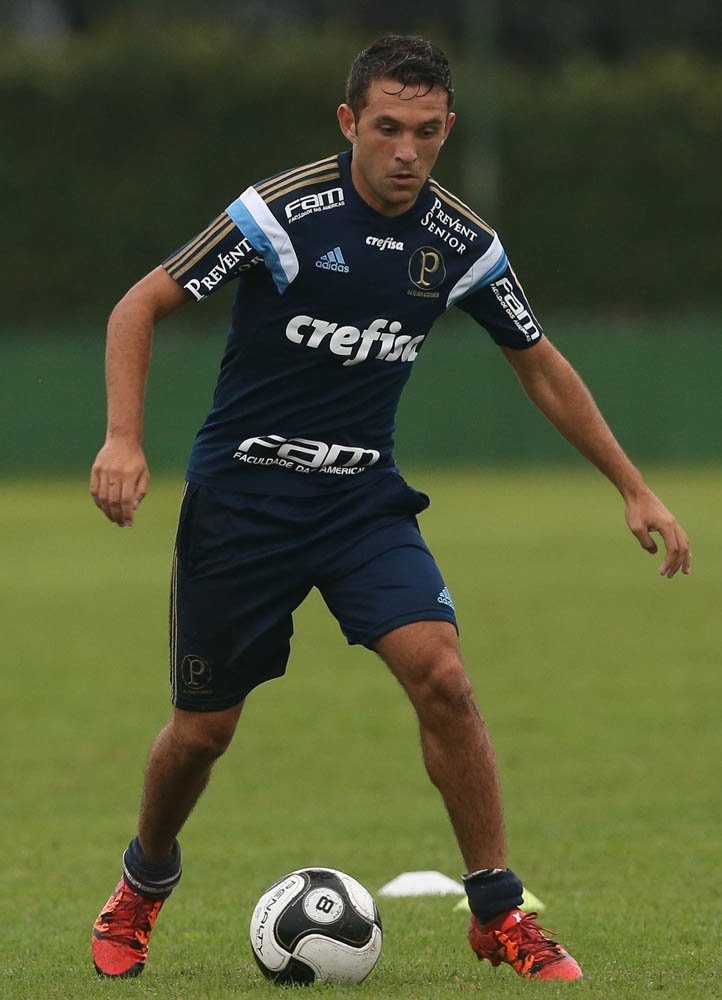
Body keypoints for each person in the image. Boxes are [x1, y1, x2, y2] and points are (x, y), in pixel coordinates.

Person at [89, 34, 690, 983]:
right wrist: (125, 438)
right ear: (349, 124)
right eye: (385, 129)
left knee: (442, 676)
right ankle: (144, 880)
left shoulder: (460, 244)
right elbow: (138, 306)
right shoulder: (281, 214)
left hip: (361, 504)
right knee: (201, 733)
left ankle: (497, 910)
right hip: (243, 503)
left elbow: (541, 366)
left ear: (446, 129)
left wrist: (633, 484)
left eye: (425, 132)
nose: (405, 150)